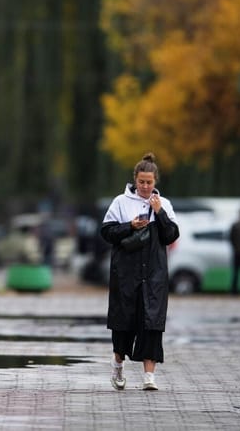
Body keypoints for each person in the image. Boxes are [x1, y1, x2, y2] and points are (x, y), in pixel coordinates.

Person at [101, 152, 179, 391]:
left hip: (154, 276)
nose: (145, 186)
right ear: (135, 179)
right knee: (124, 323)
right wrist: (129, 226)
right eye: (141, 182)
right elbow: (107, 232)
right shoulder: (120, 203)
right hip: (126, 275)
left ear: (156, 181)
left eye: (150, 182)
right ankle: (118, 365)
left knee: (152, 324)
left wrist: (160, 213)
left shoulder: (163, 203)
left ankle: (149, 377)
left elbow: (171, 236)